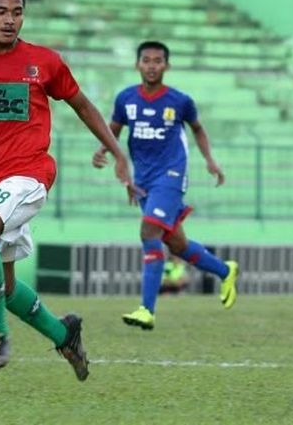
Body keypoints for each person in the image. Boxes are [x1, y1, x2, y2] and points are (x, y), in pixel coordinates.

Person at [0, 0, 135, 380]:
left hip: (30, 173)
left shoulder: (44, 61)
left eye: (17, 12)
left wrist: (117, 151)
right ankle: (65, 334)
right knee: (4, 289)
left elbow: (83, 105)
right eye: (1, 11)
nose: (10, 20)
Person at [92, 41, 238, 331]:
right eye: (146, 60)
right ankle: (225, 271)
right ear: (138, 64)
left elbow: (197, 128)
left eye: (158, 61)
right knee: (176, 243)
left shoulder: (179, 101)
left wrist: (210, 160)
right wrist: (104, 149)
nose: (151, 65)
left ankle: (147, 309)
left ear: (166, 66)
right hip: (144, 179)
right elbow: (115, 130)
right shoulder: (126, 99)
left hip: (171, 174)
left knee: (149, 231)